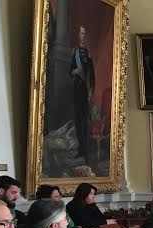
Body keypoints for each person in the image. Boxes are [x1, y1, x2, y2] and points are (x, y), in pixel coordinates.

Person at [70, 25, 95, 163]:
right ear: (78, 35)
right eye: (81, 33)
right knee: (78, 120)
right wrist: (75, 71)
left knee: (85, 122)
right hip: (76, 90)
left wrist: (91, 91)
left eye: (85, 33)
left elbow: (92, 76)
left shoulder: (89, 53)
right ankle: (80, 150)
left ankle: (86, 152)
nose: (83, 36)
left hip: (85, 90)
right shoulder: (74, 52)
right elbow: (70, 71)